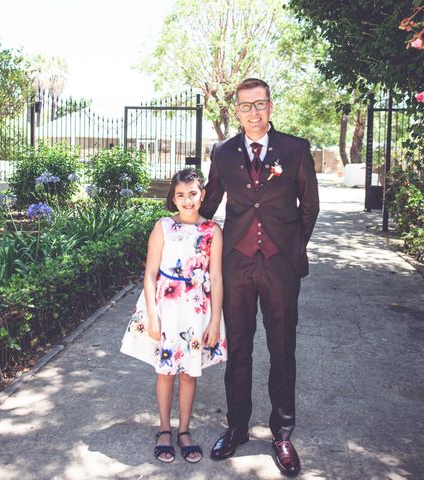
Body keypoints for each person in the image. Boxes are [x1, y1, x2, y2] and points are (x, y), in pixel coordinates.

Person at [200, 78, 319, 477]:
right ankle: (236, 426)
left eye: (260, 104)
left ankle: (282, 433)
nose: (254, 112)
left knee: (283, 346)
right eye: (246, 106)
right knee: (239, 347)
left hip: (280, 264)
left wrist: (291, 250)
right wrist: (176, 230)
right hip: (237, 264)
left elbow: (309, 206)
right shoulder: (222, 152)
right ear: (236, 110)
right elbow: (210, 203)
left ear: (270, 107)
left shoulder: (295, 149)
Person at [120, 168, 228, 464]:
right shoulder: (163, 226)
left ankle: (184, 430)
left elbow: (216, 277)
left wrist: (215, 320)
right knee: (165, 370)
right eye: (180, 195)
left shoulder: (212, 231)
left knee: (189, 372)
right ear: (173, 198)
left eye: (193, 194)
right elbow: (150, 273)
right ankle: (165, 429)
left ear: (202, 195)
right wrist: (152, 314)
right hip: (166, 308)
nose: (187, 200)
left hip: (196, 310)